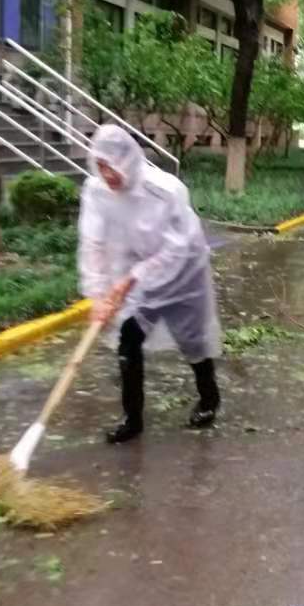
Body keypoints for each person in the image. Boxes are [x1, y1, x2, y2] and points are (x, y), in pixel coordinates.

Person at [78, 123, 221, 442]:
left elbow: (179, 247)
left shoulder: (164, 191)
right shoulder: (96, 192)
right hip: (141, 280)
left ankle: (209, 399)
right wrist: (97, 294)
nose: (107, 175)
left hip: (184, 274)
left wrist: (129, 279)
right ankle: (132, 419)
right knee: (129, 338)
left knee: (192, 341)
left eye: (112, 166)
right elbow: (92, 244)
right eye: (100, 166)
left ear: (128, 160)